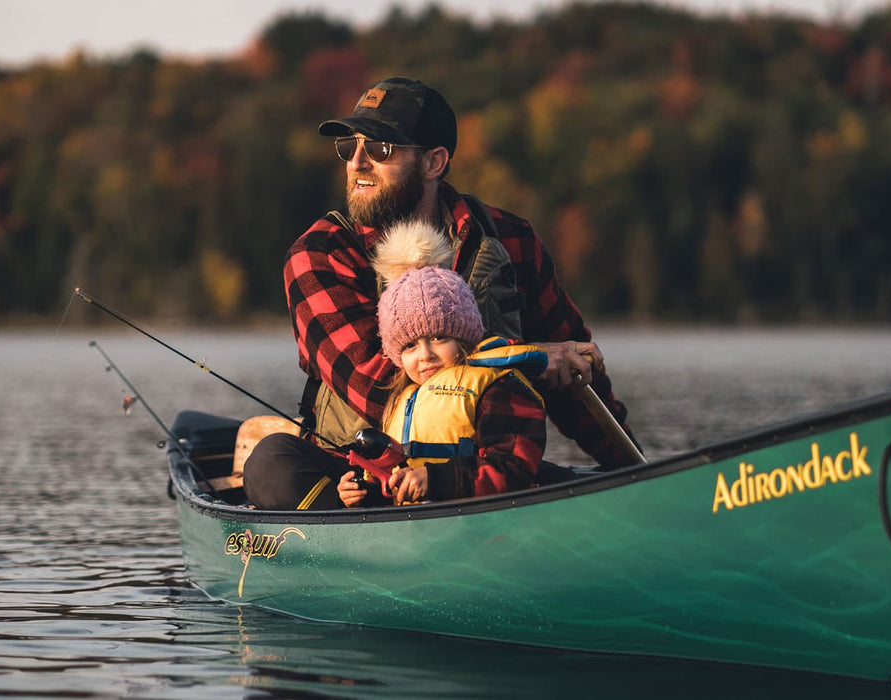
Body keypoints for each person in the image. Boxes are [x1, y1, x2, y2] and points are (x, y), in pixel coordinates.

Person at [242, 76, 638, 510]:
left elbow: (578, 380)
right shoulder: (318, 254)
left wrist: (637, 473)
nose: (356, 163)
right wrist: (533, 359)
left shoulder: (512, 239)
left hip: (485, 477)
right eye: (348, 148)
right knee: (272, 462)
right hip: (364, 481)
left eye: (380, 150)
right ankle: (344, 558)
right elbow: (377, 386)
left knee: (607, 488)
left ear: (434, 163)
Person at [335, 220, 548, 506]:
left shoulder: (499, 387)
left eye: (438, 337)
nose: (425, 355)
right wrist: (364, 491)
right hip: (417, 527)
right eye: (409, 346)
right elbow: (393, 479)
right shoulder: (400, 398)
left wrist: (434, 479)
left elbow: (513, 470)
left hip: (484, 523)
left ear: (464, 337)